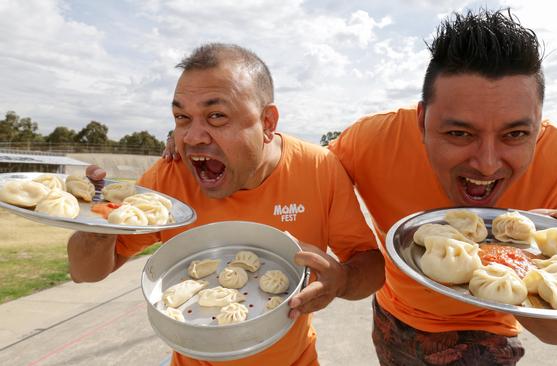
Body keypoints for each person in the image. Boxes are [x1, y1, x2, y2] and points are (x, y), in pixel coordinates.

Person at [67, 43, 385, 366]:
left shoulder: (318, 169)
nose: (192, 137)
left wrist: (342, 279)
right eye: (182, 117)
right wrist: (99, 218)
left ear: (268, 122)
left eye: (216, 116)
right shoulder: (169, 178)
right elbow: (84, 273)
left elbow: (372, 266)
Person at [327, 8, 557, 365]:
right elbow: (311, 175)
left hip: (487, 333)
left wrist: (521, 253)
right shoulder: (371, 141)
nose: (487, 163)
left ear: (539, 126)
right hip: (391, 314)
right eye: (459, 133)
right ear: (422, 120)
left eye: (516, 134)